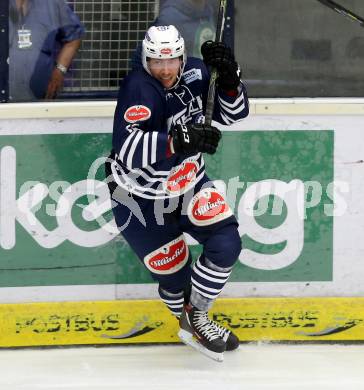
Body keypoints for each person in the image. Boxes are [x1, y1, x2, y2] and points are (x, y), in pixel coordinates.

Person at [105, 25, 249, 362]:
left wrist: (229, 80)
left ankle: (196, 317)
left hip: (188, 184)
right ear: (146, 59)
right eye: (157, 61)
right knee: (175, 279)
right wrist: (178, 140)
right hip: (137, 198)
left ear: (183, 57)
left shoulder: (199, 72)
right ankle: (192, 318)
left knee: (226, 242)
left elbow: (235, 113)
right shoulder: (138, 87)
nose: (165, 70)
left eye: (172, 61)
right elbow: (126, 148)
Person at [8, 0, 85, 101]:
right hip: (4, 100)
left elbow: (75, 36)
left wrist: (59, 70)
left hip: (42, 101)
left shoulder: (52, 3)